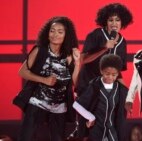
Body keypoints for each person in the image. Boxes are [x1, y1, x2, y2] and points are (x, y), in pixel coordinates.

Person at [16, 16, 80, 141]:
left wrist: (77, 64)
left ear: (66, 35)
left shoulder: (69, 56)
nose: (55, 34)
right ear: (47, 32)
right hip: (38, 101)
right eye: (52, 30)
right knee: (26, 137)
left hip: (60, 106)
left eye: (60, 32)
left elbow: (74, 83)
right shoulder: (40, 50)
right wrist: (44, 80)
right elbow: (22, 72)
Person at [74, 3, 133, 139]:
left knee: (107, 127)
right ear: (105, 21)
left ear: (122, 22)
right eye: (110, 20)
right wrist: (104, 48)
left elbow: (119, 72)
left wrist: (128, 96)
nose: (114, 23)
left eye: (117, 20)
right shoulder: (96, 35)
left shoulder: (123, 42)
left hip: (107, 91)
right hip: (89, 87)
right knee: (86, 129)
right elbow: (84, 59)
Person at [73, 54, 128, 141]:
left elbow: (121, 112)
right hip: (96, 130)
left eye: (114, 75)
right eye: (107, 74)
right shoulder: (94, 86)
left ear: (118, 74)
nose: (110, 77)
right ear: (101, 71)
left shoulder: (121, 89)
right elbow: (76, 105)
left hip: (112, 130)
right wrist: (90, 117)